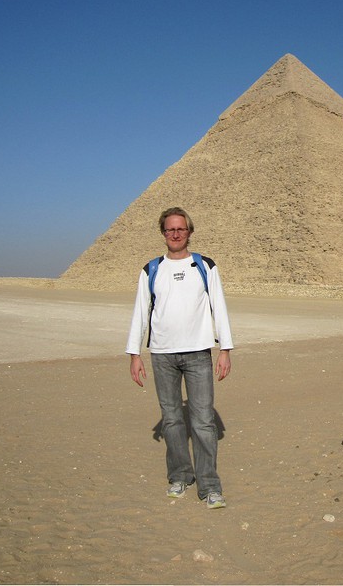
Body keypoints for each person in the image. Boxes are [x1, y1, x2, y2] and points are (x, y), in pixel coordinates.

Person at [126, 207, 233, 509]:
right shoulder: (150, 270)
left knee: (202, 421)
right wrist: (135, 354)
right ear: (163, 233)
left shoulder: (205, 266)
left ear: (189, 232)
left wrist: (225, 349)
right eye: (170, 230)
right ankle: (180, 476)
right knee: (172, 421)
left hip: (199, 353)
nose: (175, 234)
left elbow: (219, 308)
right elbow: (140, 314)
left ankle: (209, 485)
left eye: (181, 229)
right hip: (162, 355)